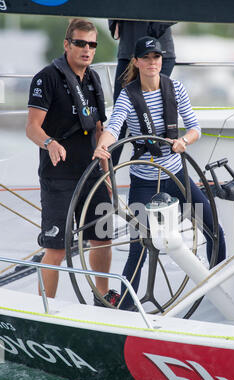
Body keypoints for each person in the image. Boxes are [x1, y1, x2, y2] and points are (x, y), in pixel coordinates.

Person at [93, 36, 226, 310]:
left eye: (157, 57)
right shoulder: (128, 97)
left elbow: (195, 128)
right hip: (143, 181)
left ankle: (222, 285)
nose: (153, 62)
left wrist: (184, 141)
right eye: (147, 58)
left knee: (214, 230)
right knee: (138, 246)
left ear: (160, 61)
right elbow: (114, 128)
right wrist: (102, 146)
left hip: (177, 177)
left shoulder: (176, 88)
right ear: (137, 62)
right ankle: (127, 308)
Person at [26, 18, 119, 307]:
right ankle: (45, 310)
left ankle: (101, 295)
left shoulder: (93, 79)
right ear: (67, 45)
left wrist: (108, 175)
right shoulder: (46, 78)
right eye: (80, 43)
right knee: (56, 249)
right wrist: (49, 143)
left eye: (92, 44)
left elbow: (101, 131)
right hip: (59, 177)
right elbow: (32, 127)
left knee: (102, 238)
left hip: (92, 173)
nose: (87, 49)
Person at [108, 20, 176, 166]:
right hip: (128, 50)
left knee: (156, 112)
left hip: (161, 47)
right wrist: (114, 21)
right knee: (121, 120)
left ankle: (163, 169)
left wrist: (157, 26)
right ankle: (106, 178)